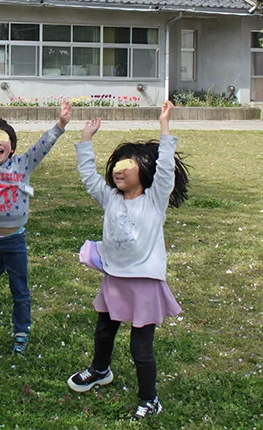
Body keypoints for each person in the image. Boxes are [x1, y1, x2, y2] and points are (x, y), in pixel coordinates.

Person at [67, 101, 189, 421]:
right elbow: (88, 179)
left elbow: (165, 170)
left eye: (127, 164)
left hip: (144, 283)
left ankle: (149, 400)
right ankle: (100, 370)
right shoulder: (111, 197)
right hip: (115, 278)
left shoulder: (154, 199)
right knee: (104, 331)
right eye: (117, 164)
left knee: (140, 348)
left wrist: (164, 127)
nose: (119, 169)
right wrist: (85, 139)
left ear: (144, 171)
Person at [0, 97, 71, 354]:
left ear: (12, 147)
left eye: (3, 140)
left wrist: (60, 125)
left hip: (15, 241)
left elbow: (43, 145)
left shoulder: (22, 164)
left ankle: (21, 331)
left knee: (20, 289)